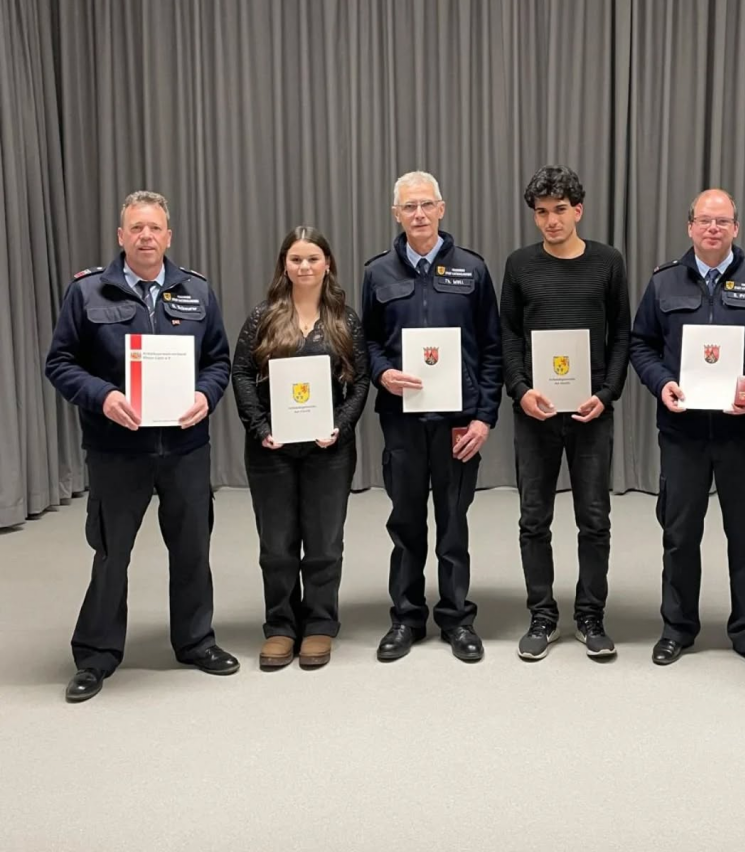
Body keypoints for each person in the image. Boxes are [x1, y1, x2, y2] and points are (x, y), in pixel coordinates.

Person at [45, 190, 237, 702]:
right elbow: (60, 362)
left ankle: (195, 641)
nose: (146, 236)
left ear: (168, 236)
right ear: (121, 236)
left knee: (192, 548)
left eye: (154, 228)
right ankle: (96, 655)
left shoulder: (197, 291)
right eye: (136, 228)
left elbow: (218, 361)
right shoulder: (87, 292)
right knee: (112, 554)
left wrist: (206, 395)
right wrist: (103, 396)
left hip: (185, 447)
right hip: (117, 449)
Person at [630, 189, 745, 676]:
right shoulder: (663, 282)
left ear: (736, 228)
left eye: (722, 221)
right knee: (680, 534)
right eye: (704, 220)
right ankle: (677, 628)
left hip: (744, 431)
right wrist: (661, 384)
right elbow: (641, 344)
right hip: (682, 431)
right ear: (690, 227)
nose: (713, 229)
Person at [361, 171, 502, 663]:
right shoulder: (378, 273)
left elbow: (491, 348)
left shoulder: (473, 269)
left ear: (441, 209)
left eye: (426, 205)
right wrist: (382, 373)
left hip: (458, 421)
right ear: (396, 214)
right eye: (408, 207)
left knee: (453, 523)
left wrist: (484, 418)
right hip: (402, 419)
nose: (418, 214)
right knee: (405, 522)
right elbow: (367, 342)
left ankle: (457, 618)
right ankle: (406, 617)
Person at [499, 166, 630, 661]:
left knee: (594, 518)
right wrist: (520, 390)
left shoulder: (607, 262)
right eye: (541, 212)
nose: (551, 221)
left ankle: (591, 615)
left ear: (578, 210)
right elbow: (509, 334)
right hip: (536, 412)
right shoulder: (519, 265)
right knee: (534, 518)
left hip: (590, 411)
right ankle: (542, 614)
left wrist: (607, 392)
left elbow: (622, 333)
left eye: (559, 210)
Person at [232, 227, 369, 670]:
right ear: (284, 265)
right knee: (277, 544)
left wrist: (341, 426)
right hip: (271, 449)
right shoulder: (263, 317)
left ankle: (320, 623)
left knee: (325, 543)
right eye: (296, 259)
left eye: (313, 258)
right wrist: (260, 427)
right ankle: (280, 625)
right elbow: (240, 373)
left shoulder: (345, 320)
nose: (304, 266)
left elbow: (361, 381)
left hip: (328, 450)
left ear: (327, 264)